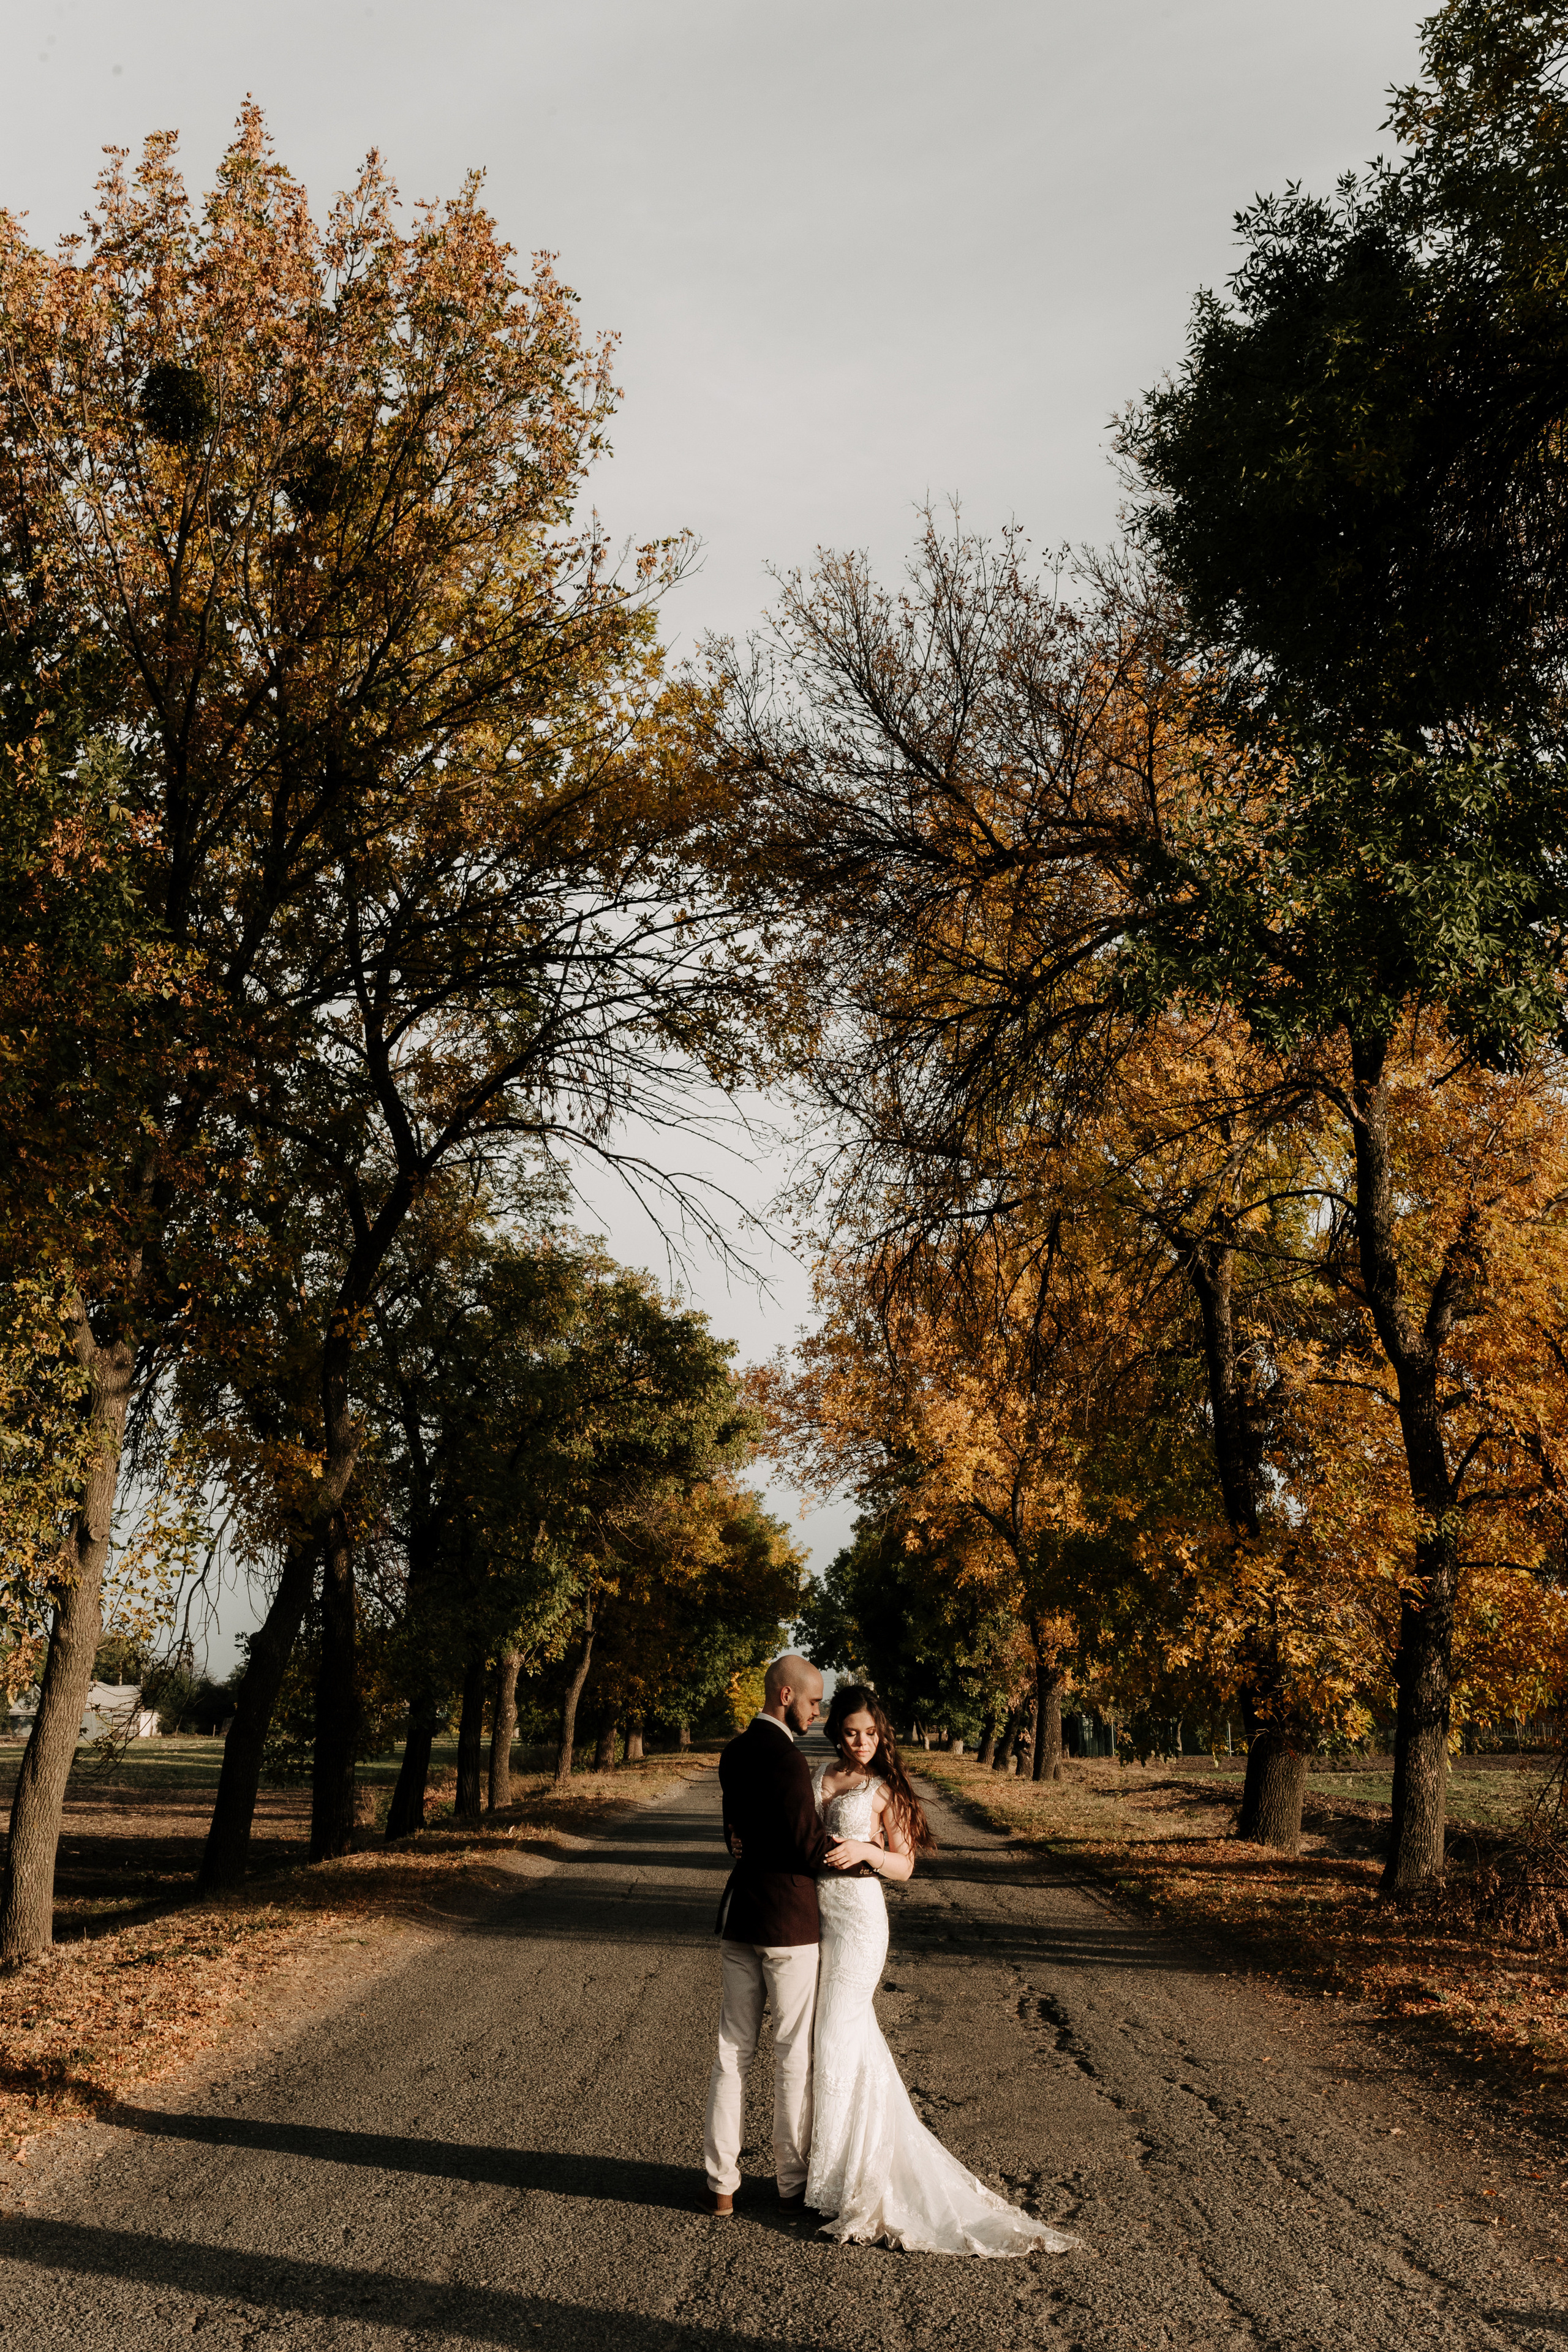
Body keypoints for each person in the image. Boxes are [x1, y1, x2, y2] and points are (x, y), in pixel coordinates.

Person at [805, 1683, 1077, 2256]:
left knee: (834, 2038)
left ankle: (843, 2187)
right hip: (813, 1917)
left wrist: (866, 1853)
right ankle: (834, 2174)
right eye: (852, 1732)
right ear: (837, 1730)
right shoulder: (819, 1774)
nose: (861, 1742)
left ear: (883, 1736)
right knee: (840, 2043)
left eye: (871, 1734)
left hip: (859, 1921)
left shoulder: (886, 1788)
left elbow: (904, 1866)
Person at [702, 1653, 835, 2217]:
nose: (816, 1712)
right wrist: (861, 1856)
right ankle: (791, 2181)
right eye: (812, 1701)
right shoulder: (788, 1762)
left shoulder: (734, 1752)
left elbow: (734, 1832)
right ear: (786, 1696)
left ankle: (721, 2186)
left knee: (732, 2051)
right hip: (788, 1923)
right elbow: (808, 1847)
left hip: (742, 1918)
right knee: (791, 2053)